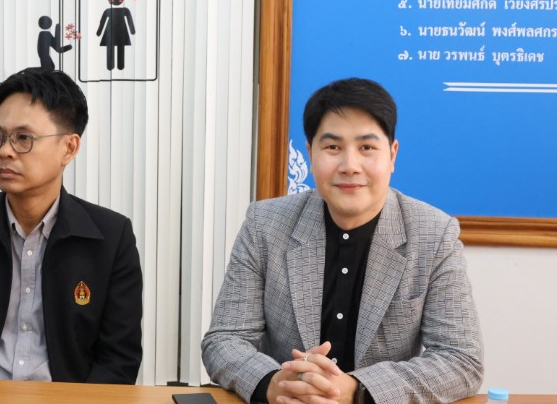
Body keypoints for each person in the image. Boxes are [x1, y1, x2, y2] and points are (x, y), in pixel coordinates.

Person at [201, 78, 483, 403]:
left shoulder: (433, 234)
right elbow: (224, 339)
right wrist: (274, 383)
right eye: (333, 147)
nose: (350, 166)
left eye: (367, 148)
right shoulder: (265, 224)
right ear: (310, 154)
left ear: (392, 155)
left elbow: (461, 360)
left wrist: (356, 390)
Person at [0, 68, 143, 383]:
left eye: (23, 138)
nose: (5, 151)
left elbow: (118, 359)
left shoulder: (111, 238)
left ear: (69, 148)